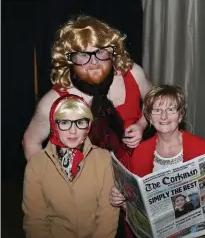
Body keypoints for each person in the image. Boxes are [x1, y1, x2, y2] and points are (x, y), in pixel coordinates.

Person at [23, 15, 152, 167]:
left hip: (135, 172)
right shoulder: (53, 101)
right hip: (85, 184)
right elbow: (30, 142)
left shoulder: (133, 74)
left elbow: (155, 101)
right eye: (83, 55)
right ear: (69, 59)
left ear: (112, 52)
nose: (94, 62)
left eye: (101, 51)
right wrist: (51, 181)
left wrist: (142, 124)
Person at [110, 85, 205, 230]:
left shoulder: (203, 148)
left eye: (170, 110)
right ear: (149, 117)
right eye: (157, 110)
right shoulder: (140, 151)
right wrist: (122, 201)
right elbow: (138, 209)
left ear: (181, 115)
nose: (164, 117)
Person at [22, 94, 119, 238]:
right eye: (65, 122)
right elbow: (35, 221)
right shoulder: (36, 164)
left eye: (80, 122)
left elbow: (108, 216)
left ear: (88, 126)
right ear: (54, 125)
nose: (73, 131)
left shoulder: (104, 159)